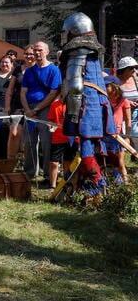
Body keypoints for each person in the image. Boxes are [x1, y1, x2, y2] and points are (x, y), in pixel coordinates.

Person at [59, 12, 116, 198]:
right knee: (99, 146)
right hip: (99, 102)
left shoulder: (78, 51)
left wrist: (73, 115)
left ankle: (97, 186)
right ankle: (109, 186)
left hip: (87, 104)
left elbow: (75, 85)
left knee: (87, 149)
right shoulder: (92, 52)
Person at [20, 41, 61, 181]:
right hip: (29, 109)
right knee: (29, 142)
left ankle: (49, 175)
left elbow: (53, 93)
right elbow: (23, 91)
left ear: (47, 52)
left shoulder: (54, 70)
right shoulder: (29, 71)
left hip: (45, 109)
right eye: (36, 50)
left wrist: (37, 109)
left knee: (46, 142)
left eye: (40, 50)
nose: (37, 53)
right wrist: (27, 109)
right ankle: (30, 173)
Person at [4, 45, 36, 159]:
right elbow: (10, 89)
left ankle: (26, 161)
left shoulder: (38, 69)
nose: (29, 56)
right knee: (14, 133)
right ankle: (10, 160)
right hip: (16, 105)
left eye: (31, 54)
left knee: (28, 135)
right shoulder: (18, 69)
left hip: (32, 105)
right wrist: (7, 105)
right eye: (26, 54)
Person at [104, 76, 130, 185]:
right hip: (105, 135)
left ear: (115, 87)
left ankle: (126, 183)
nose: (104, 87)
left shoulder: (124, 101)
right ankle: (110, 183)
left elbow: (128, 121)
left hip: (117, 136)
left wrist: (127, 137)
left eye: (107, 85)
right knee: (106, 162)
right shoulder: (103, 100)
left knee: (120, 162)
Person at [116, 56, 138, 145]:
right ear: (123, 69)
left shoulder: (136, 80)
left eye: (135, 67)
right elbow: (115, 98)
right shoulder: (117, 82)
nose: (134, 70)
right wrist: (127, 102)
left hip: (136, 112)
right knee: (133, 133)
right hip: (124, 114)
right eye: (131, 68)